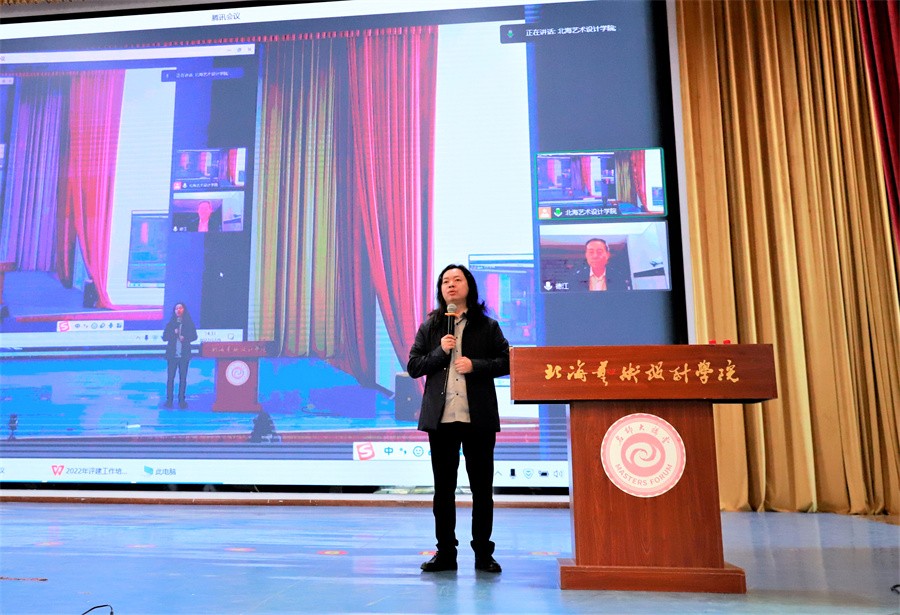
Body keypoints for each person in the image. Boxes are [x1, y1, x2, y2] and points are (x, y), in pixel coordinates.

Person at [407, 264, 510, 574]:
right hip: (442, 420)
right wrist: (440, 351)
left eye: (457, 280)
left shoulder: (487, 326)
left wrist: (475, 365)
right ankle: (445, 553)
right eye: (445, 281)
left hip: (478, 418)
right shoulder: (431, 326)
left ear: (469, 286)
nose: (450, 285)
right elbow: (414, 366)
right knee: (443, 490)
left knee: (482, 489)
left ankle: (483, 553)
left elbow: (508, 361)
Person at [162, 302, 198, 409]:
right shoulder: (171, 324)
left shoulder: (189, 323)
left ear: (184, 310)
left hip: (184, 356)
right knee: (170, 378)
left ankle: (182, 400)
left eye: (180, 308)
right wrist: (173, 333)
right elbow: (164, 337)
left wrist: (185, 337)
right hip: (172, 356)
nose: (178, 310)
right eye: (176, 308)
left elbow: (194, 336)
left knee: (183, 379)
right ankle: (169, 400)